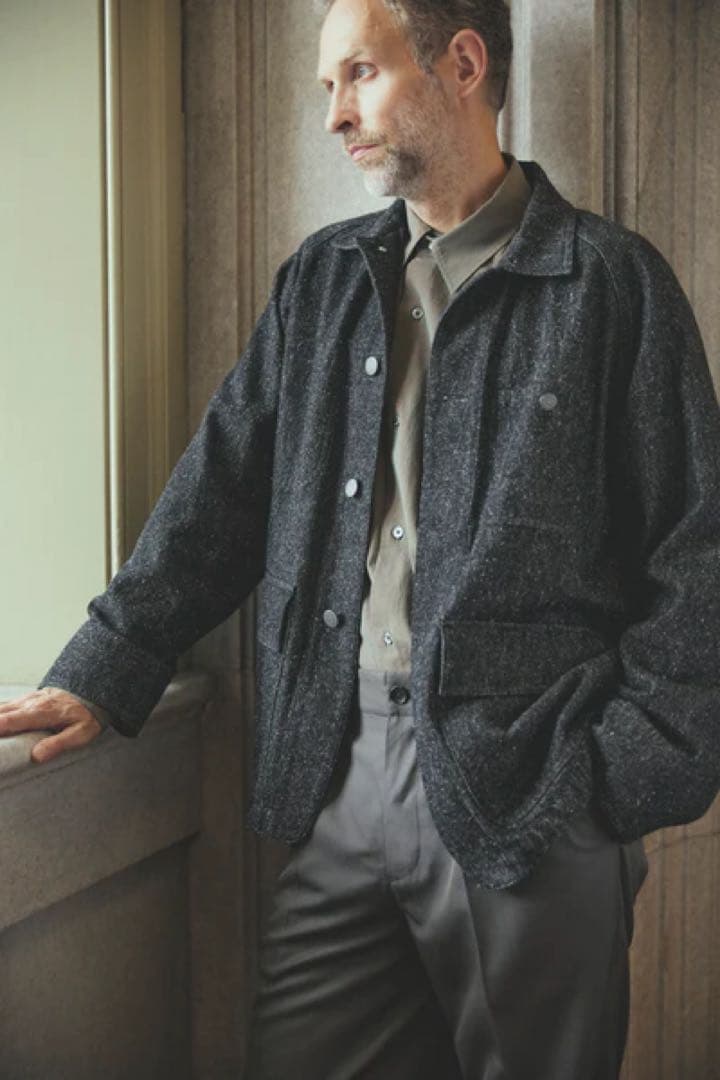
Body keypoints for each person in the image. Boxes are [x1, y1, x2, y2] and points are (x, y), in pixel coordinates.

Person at [2, 0, 719, 1075]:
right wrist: (104, 667)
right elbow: (222, 492)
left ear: (462, 63)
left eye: (359, 75)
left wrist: (615, 785)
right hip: (338, 775)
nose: (334, 113)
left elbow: (696, 552)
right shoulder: (323, 281)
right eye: (325, 87)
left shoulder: (610, 284)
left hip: (534, 786)